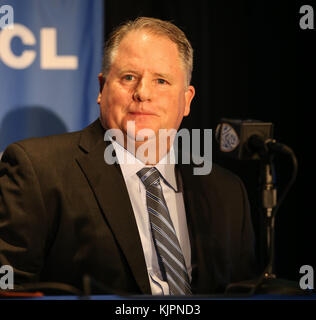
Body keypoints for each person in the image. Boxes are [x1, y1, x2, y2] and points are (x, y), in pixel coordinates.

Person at [0, 17, 256, 295]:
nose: (143, 93)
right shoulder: (38, 171)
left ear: (187, 100)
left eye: (161, 80)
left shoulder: (226, 192)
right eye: (129, 77)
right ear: (101, 89)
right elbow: (11, 289)